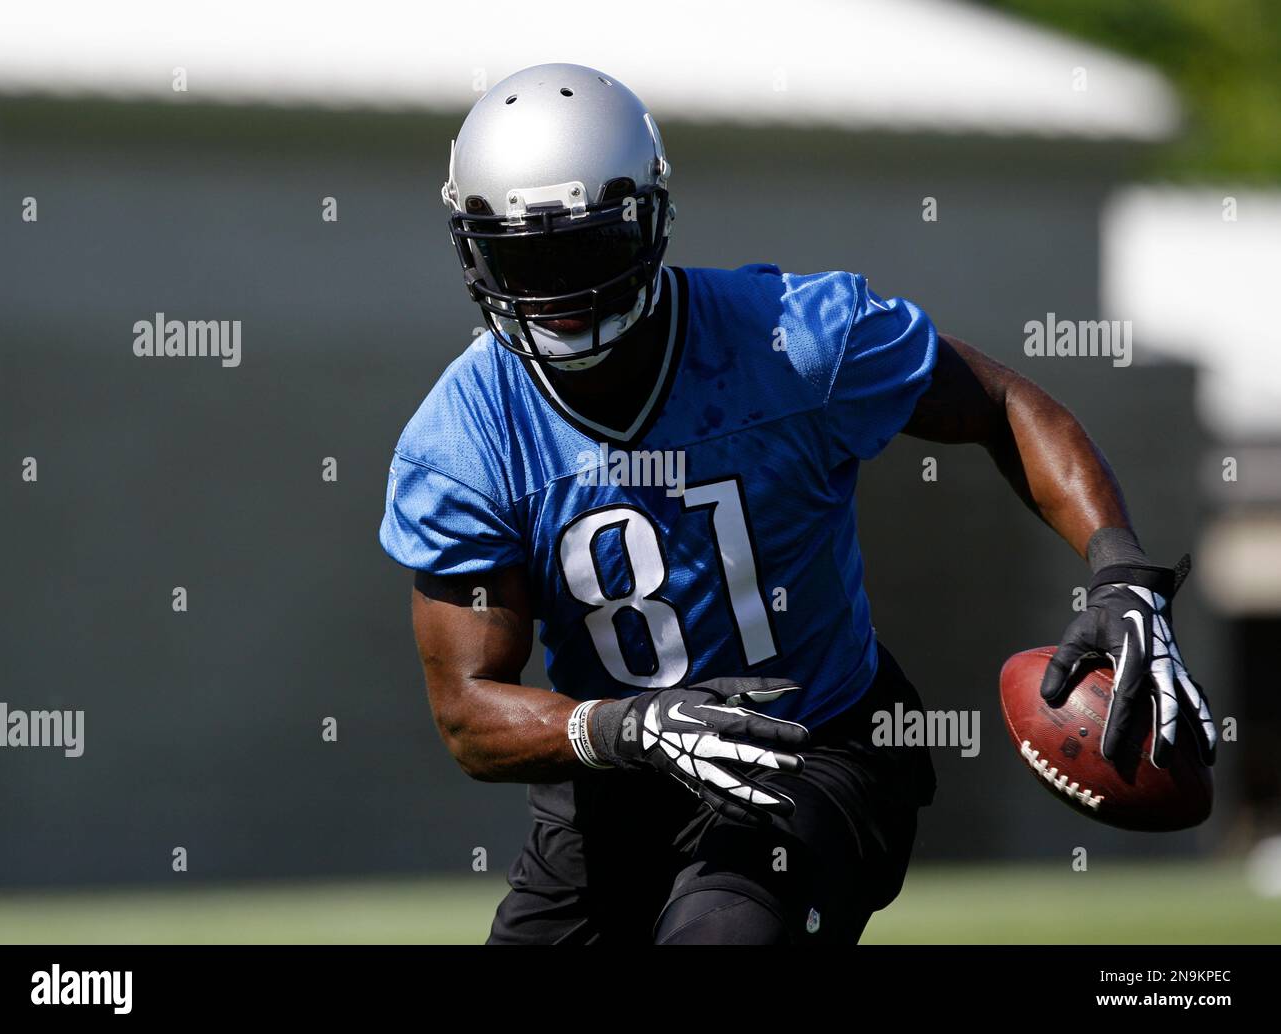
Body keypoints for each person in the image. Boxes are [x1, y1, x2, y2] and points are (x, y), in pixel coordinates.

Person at [379, 63, 1217, 944]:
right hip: (617, 778)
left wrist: (1122, 573)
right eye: (523, 258)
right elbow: (470, 713)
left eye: (580, 250)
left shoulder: (792, 339)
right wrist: (630, 728)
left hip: (813, 750)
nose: (557, 297)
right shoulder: (463, 441)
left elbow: (1006, 407)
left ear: (650, 221)